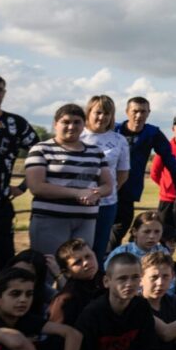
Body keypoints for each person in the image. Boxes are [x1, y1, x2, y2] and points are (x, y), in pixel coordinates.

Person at [25, 104, 112, 255]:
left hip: (86, 221)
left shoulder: (96, 152)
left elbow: (108, 185)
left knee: (80, 271)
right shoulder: (41, 149)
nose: (71, 126)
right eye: (66, 122)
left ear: (84, 124)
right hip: (50, 220)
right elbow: (36, 187)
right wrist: (77, 193)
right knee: (49, 269)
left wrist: (95, 193)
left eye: (77, 122)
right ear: (55, 124)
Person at [111, 96, 176, 250]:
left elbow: (169, 159)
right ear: (126, 112)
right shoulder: (113, 130)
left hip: (128, 192)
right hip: (106, 189)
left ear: (148, 113)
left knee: (118, 231)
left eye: (143, 111)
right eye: (135, 111)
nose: (138, 115)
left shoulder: (152, 133)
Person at [0, 74, 39, 272]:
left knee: (4, 264)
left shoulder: (15, 124)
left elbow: (41, 153)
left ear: (4, 93)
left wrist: (24, 186)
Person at [80, 95, 131, 265]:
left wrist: (106, 191)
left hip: (107, 204)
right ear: (89, 112)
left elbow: (123, 173)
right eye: (98, 112)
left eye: (107, 113)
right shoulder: (77, 136)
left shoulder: (119, 140)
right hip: (77, 203)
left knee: (98, 249)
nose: (102, 117)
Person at [48, 239, 104, 326]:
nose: (86, 263)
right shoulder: (65, 299)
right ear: (66, 272)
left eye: (88, 256)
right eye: (78, 262)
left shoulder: (109, 279)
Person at [104, 211, 172, 278]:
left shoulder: (163, 253)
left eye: (157, 232)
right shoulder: (121, 252)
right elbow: (108, 274)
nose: (152, 236)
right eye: (147, 231)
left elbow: (169, 280)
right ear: (134, 231)